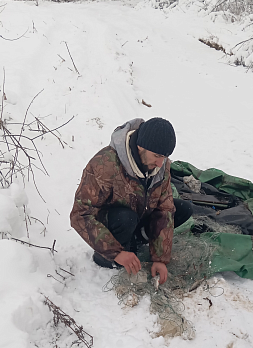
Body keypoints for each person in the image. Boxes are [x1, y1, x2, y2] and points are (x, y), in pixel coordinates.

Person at [70, 118, 192, 285]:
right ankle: (105, 258)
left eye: (164, 157)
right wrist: (116, 253)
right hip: (113, 222)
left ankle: (137, 238)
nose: (161, 163)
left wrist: (160, 259)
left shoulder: (161, 167)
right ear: (140, 147)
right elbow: (80, 214)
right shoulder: (105, 164)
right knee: (126, 218)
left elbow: (165, 208)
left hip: (139, 214)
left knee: (183, 209)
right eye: (157, 156)